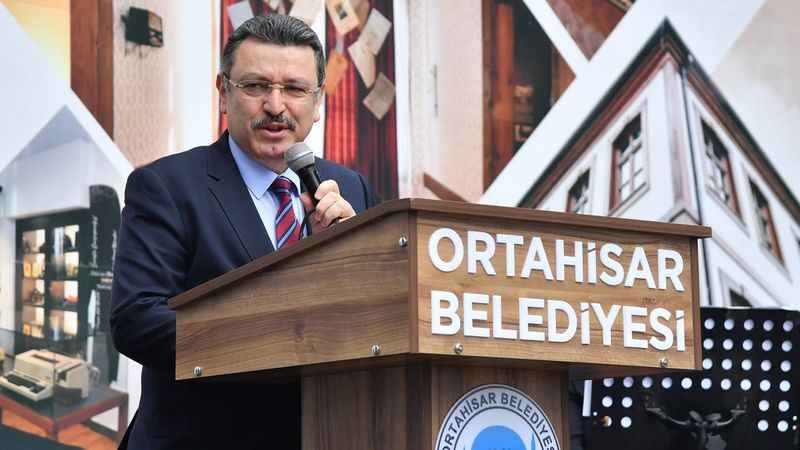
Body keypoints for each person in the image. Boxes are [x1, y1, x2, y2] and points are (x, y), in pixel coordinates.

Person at [111, 14, 379, 449]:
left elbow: (379, 316)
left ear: (317, 101)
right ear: (223, 93)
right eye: (255, 86)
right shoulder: (166, 186)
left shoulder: (351, 187)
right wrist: (281, 339)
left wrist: (345, 259)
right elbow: (137, 321)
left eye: (294, 89)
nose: (275, 105)